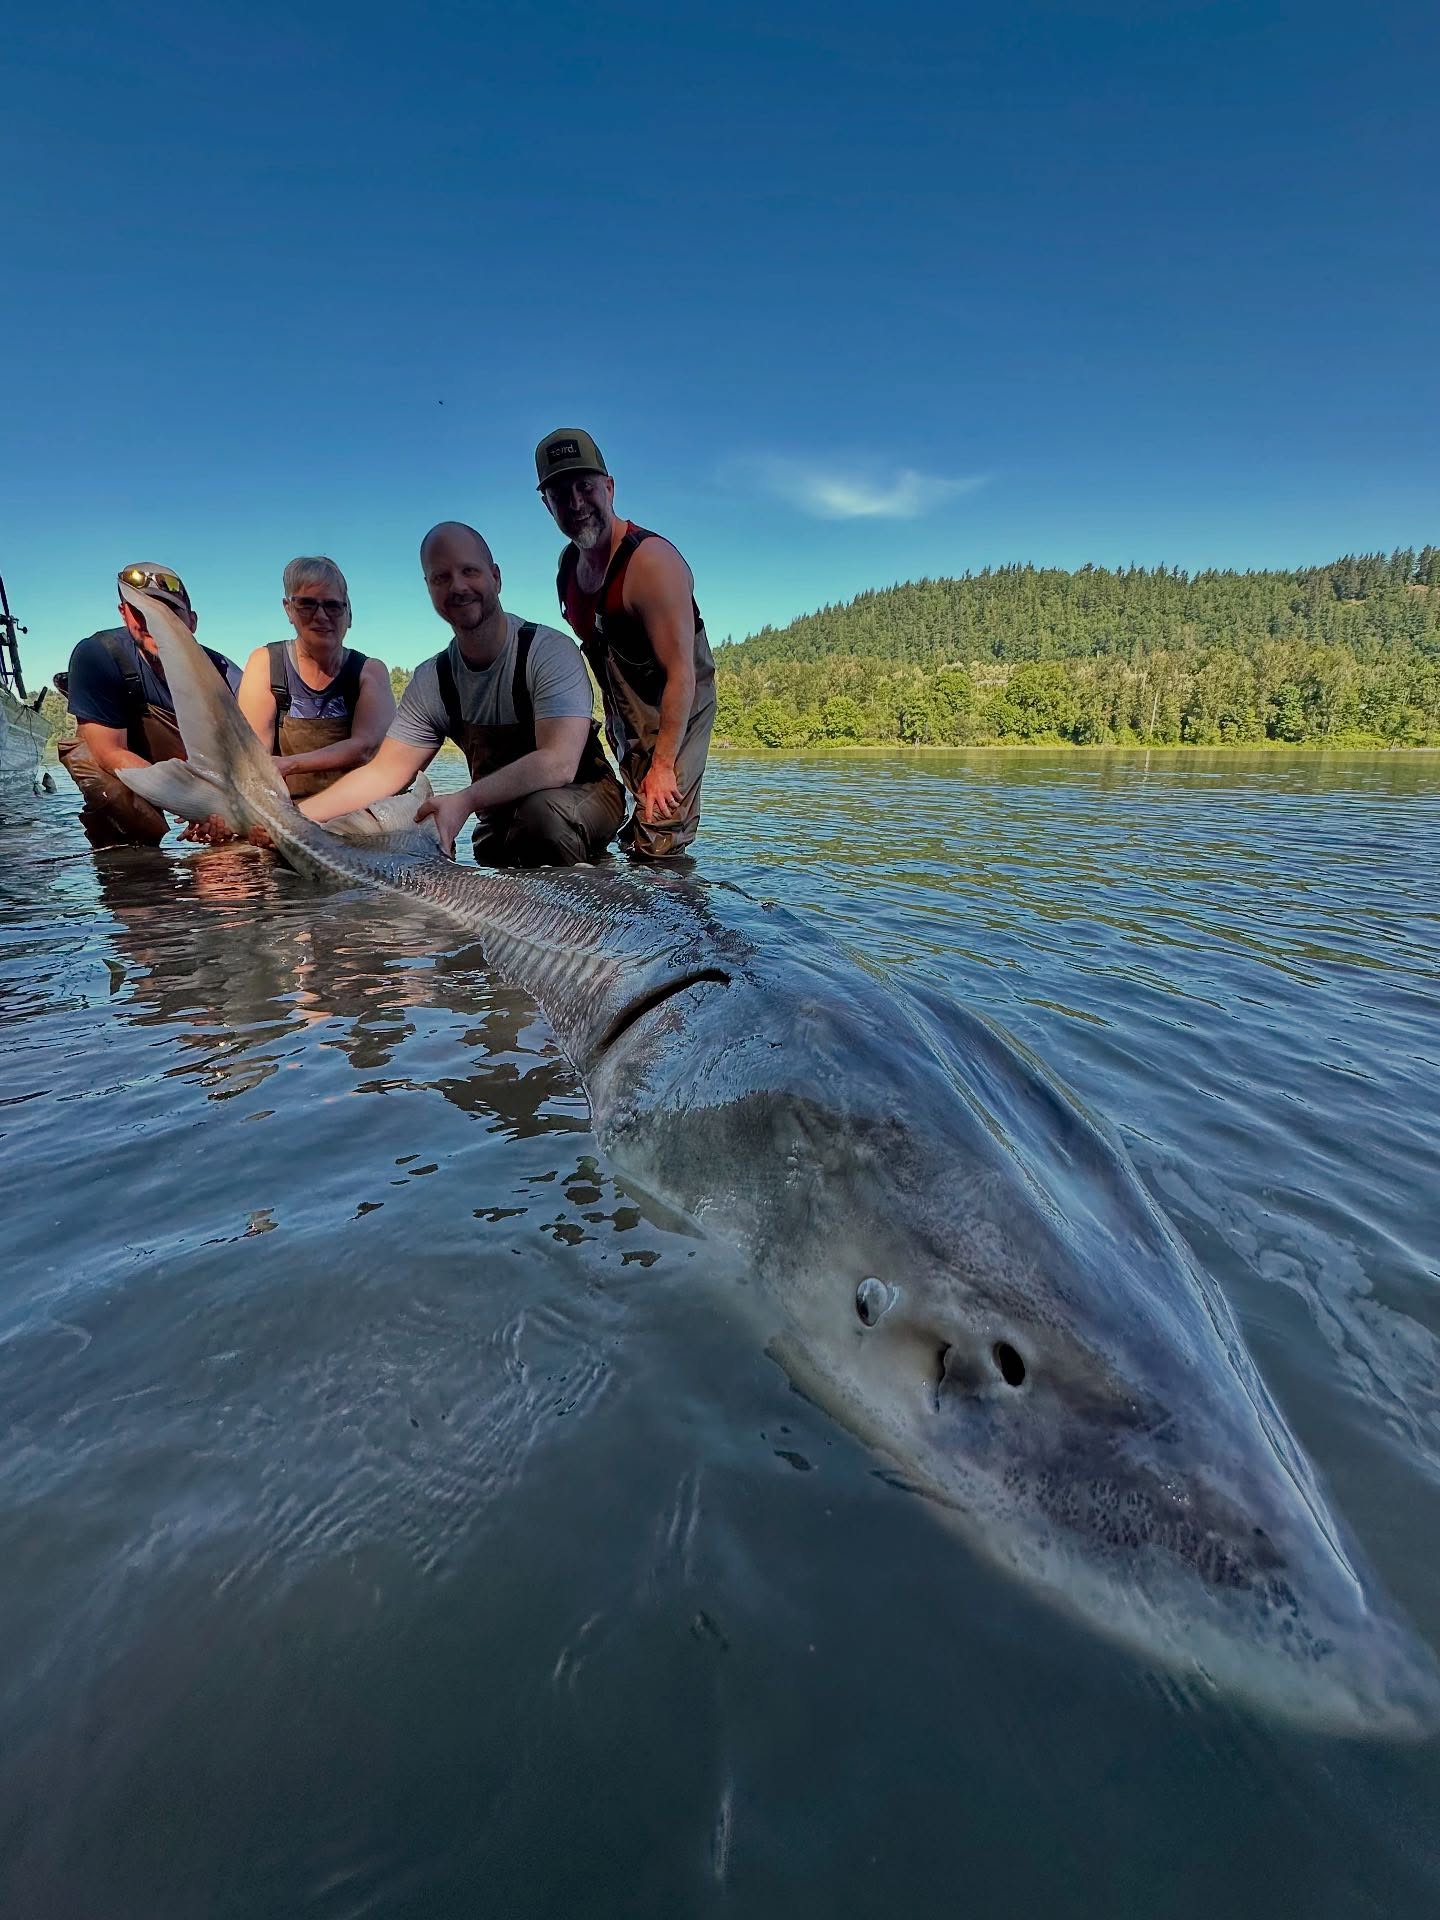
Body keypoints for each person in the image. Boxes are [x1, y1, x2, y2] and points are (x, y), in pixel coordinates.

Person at [300, 522, 625, 865]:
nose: (457, 587)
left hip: (585, 796)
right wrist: (293, 817)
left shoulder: (549, 651)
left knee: (542, 819)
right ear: (429, 589)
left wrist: (465, 800)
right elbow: (382, 774)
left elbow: (558, 763)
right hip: (500, 819)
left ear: (496, 577)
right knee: (484, 845)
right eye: (441, 578)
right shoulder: (433, 679)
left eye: (469, 571)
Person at [536, 428, 716, 859]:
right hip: (624, 712)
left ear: (609, 487)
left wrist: (664, 765)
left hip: (678, 706)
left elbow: (681, 675)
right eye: (561, 493)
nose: (576, 503)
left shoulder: (652, 563)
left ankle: (675, 921)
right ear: (547, 504)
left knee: (659, 835)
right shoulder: (568, 568)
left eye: (585, 486)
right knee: (631, 834)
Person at [61, 564, 241, 848]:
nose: (154, 623)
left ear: (192, 622)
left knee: (235, 830)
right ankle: (129, 872)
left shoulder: (226, 676)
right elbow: (109, 751)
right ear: (123, 613)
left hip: (200, 769)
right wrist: (190, 803)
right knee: (113, 792)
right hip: (123, 757)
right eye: (140, 612)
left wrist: (222, 812)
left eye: (168, 613)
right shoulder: (98, 656)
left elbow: (242, 765)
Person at [235, 556, 395, 799]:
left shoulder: (370, 671)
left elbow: (365, 748)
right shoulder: (266, 663)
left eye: (332, 606)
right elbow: (255, 759)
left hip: (357, 806)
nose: (321, 616)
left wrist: (290, 764)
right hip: (288, 808)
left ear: (349, 614)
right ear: (289, 609)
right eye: (307, 605)